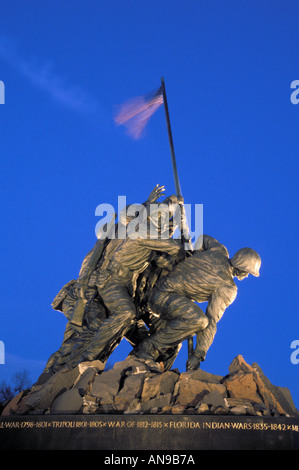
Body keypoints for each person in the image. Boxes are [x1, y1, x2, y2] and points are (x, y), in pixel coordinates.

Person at [133, 235, 261, 370]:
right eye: (248, 272)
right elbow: (211, 319)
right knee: (199, 321)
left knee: (174, 344)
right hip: (164, 298)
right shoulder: (228, 287)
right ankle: (147, 348)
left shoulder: (219, 250)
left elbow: (202, 239)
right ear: (242, 267)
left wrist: (194, 258)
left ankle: (156, 370)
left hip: (162, 294)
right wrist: (198, 354)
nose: (247, 276)